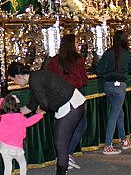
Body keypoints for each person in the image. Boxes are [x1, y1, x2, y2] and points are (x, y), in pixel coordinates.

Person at [7, 61, 85, 175]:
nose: (15, 82)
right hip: (74, 102)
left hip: (70, 105)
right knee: (63, 142)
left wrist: (41, 110)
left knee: (60, 143)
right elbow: (30, 106)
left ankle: (62, 171)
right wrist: (12, 114)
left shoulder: (35, 80)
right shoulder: (35, 79)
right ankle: (64, 165)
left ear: (18, 76)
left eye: (13, 79)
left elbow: (44, 103)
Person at [46, 34, 88, 169]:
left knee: (63, 131)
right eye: (76, 42)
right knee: (80, 126)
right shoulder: (78, 60)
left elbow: (48, 79)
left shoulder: (54, 61)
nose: (78, 45)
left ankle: (65, 156)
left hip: (59, 100)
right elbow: (84, 80)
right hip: (74, 99)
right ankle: (66, 155)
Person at [96, 30, 131, 155]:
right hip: (120, 85)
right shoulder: (128, 55)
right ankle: (108, 145)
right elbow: (130, 70)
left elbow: (99, 69)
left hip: (108, 85)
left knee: (119, 113)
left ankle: (124, 139)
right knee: (114, 115)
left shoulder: (107, 53)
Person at [0, 93, 44, 175]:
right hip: (16, 146)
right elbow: (29, 122)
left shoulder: (1, 115)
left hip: (3, 145)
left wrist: (3, 98)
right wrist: (39, 115)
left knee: (7, 166)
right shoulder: (19, 117)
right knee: (22, 164)